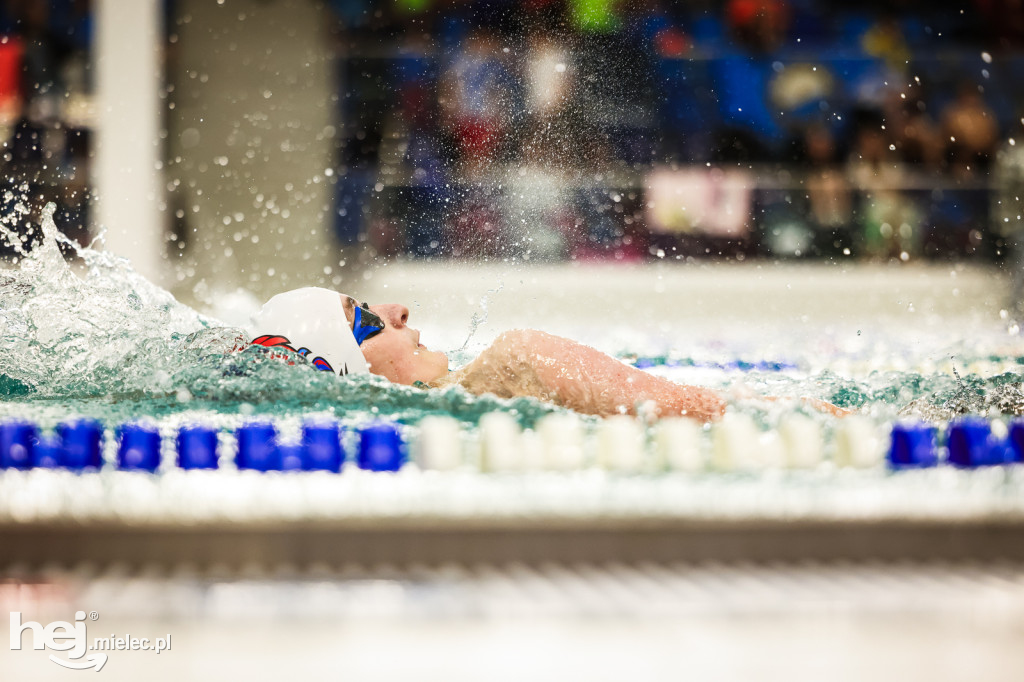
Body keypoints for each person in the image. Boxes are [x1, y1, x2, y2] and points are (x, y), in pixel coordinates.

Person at [247, 287, 848, 422]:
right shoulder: (516, 363)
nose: (399, 310)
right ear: (344, 368)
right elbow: (706, 411)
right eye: (369, 319)